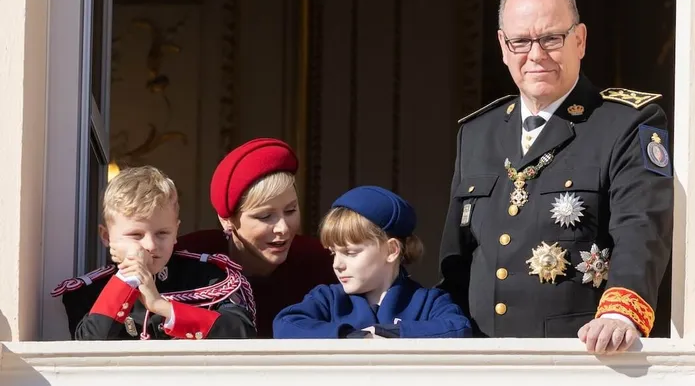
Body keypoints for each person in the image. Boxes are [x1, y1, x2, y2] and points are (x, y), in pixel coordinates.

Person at [437, 0, 672, 354]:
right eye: (521, 41)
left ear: (579, 40)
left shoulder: (625, 123)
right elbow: (457, 258)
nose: (535, 55)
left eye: (551, 39)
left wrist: (620, 314)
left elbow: (641, 225)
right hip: (480, 358)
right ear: (503, 46)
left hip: (580, 356)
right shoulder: (477, 133)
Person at [52, 166, 257, 340]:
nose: (150, 245)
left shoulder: (209, 278)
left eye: (162, 233)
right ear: (106, 236)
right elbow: (87, 347)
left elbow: (242, 332)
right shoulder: (87, 292)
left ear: (176, 231)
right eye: (135, 234)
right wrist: (126, 280)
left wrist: (162, 306)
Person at [167, 138, 338, 338]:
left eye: (291, 210)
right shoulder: (188, 258)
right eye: (265, 217)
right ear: (227, 221)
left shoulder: (323, 262)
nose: (283, 228)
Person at [273, 186, 472, 339]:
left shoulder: (428, 302)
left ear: (391, 250)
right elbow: (285, 324)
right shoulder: (328, 299)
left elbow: (458, 328)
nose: (337, 265)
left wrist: (389, 332)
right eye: (334, 253)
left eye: (350, 253)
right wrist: (351, 336)